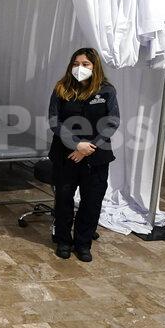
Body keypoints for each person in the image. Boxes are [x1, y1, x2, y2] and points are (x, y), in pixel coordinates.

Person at [47, 48, 120, 262]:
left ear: (94, 66)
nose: (80, 68)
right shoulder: (61, 88)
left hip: (96, 157)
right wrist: (77, 145)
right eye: (76, 63)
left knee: (92, 202)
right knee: (63, 200)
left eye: (85, 64)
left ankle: (83, 243)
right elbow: (54, 121)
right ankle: (62, 240)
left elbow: (112, 121)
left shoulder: (107, 90)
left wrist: (90, 147)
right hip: (65, 154)